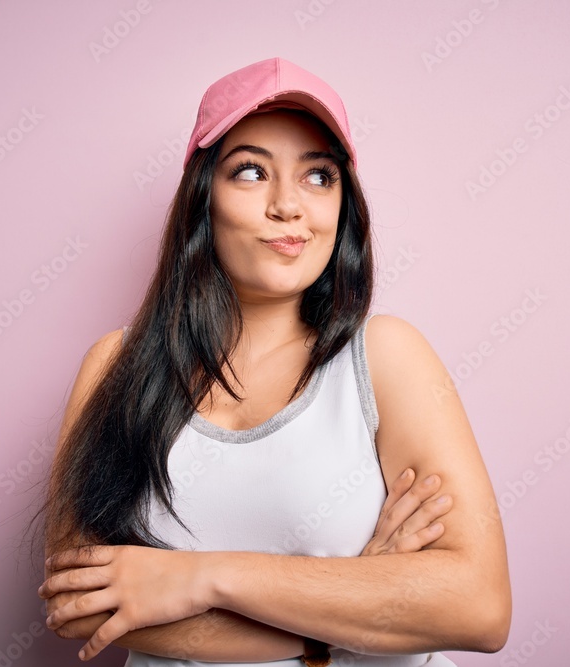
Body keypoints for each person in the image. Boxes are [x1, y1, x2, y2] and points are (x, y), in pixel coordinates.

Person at [36, 57, 511, 666]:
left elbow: (479, 608)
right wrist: (346, 609)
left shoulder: (386, 357)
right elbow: (77, 604)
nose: (289, 205)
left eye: (319, 177)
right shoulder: (114, 367)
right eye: (252, 171)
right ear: (203, 200)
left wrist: (200, 578)